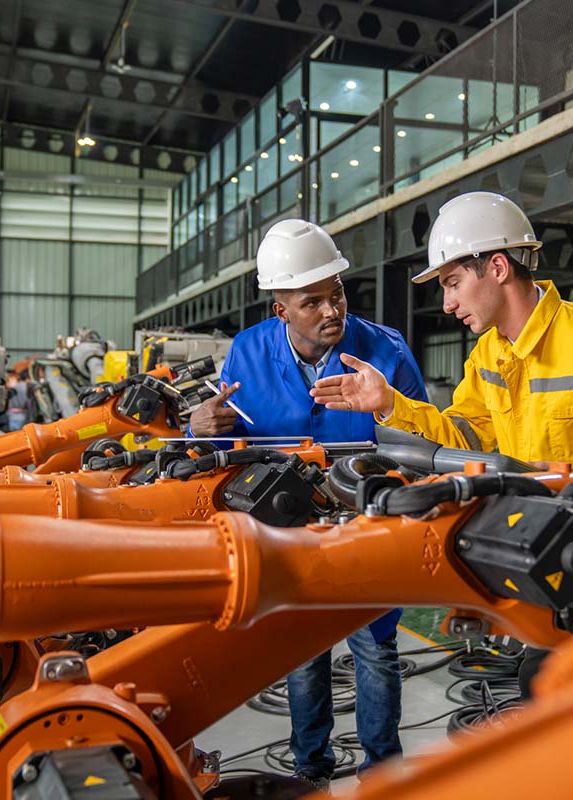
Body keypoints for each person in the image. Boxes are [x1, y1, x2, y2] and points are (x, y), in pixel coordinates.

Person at [309, 191, 573, 542]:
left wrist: (563, 479)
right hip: (547, 549)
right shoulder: (488, 356)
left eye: (453, 283)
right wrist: (392, 404)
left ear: (498, 268)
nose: (447, 304)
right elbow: (462, 440)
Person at [189, 219, 428, 789]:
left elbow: (425, 439)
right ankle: (310, 772)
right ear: (282, 311)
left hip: (369, 523)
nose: (331, 310)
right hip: (286, 529)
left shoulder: (385, 350)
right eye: (312, 300)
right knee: (301, 655)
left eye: (337, 293)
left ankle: (382, 776)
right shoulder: (247, 353)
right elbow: (228, 443)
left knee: (376, 651)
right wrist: (203, 427)